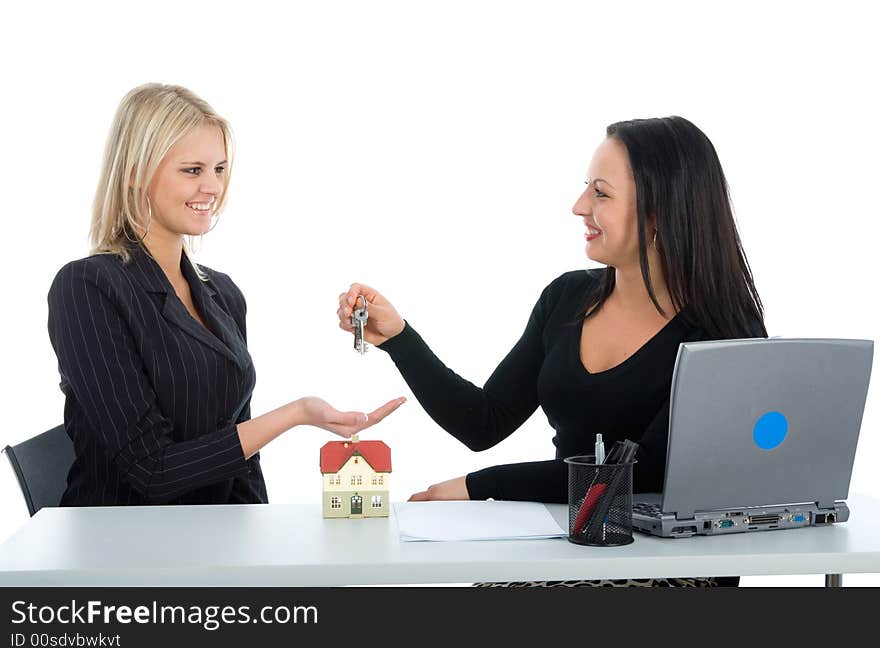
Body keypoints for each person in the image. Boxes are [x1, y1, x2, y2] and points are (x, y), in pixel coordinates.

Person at [336, 116, 765, 587]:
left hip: (670, 566)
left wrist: (480, 486)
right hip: (569, 545)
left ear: (660, 210)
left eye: (601, 193)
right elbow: (484, 422)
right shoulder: (566, 299)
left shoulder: (725, 331)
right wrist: (399, 337)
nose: (579, 206)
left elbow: (640, 474)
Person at [48, 83, 405, 507]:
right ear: (135, 173)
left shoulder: (222, 293)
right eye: (193, 170)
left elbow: (241, 465)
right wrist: (296, 414)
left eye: (219, 169)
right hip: (120, 547)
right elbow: (152, 471)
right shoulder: (87, 288)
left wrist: (263, 551)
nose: (213, 187)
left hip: (212, 538)